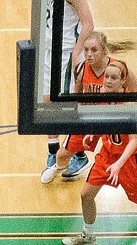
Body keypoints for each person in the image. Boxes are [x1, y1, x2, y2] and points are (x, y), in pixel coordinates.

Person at [61, 61, 137, 245]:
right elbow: (103, 120)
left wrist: (119, 164)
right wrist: (93, 133)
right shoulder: (101, 97)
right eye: (106, 77)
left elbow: (134, 140)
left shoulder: (129, 103)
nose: (108, 81)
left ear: (122, 81)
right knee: (86, 195)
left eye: (113, 78)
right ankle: (88, 236)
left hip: (132, 160)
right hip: (107, 154)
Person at [41, 31, 137, 183]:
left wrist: (123, 110)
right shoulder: (82, 69)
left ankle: (134, 175)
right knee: (61, 155)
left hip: (113, 119)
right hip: (90, 117)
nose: (89, 54)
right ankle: (61, 166)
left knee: (126, 154)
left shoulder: (118, 68)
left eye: (94, 50)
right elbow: (77, 96)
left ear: (103, 50)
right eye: (86, 50)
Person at [41, 0, 94, 177]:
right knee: (47, 101)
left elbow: (89, 24)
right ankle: (53, 150)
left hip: (66, 52)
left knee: (67, 105)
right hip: (50, 49)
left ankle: (79, 154)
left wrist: (77, 51)